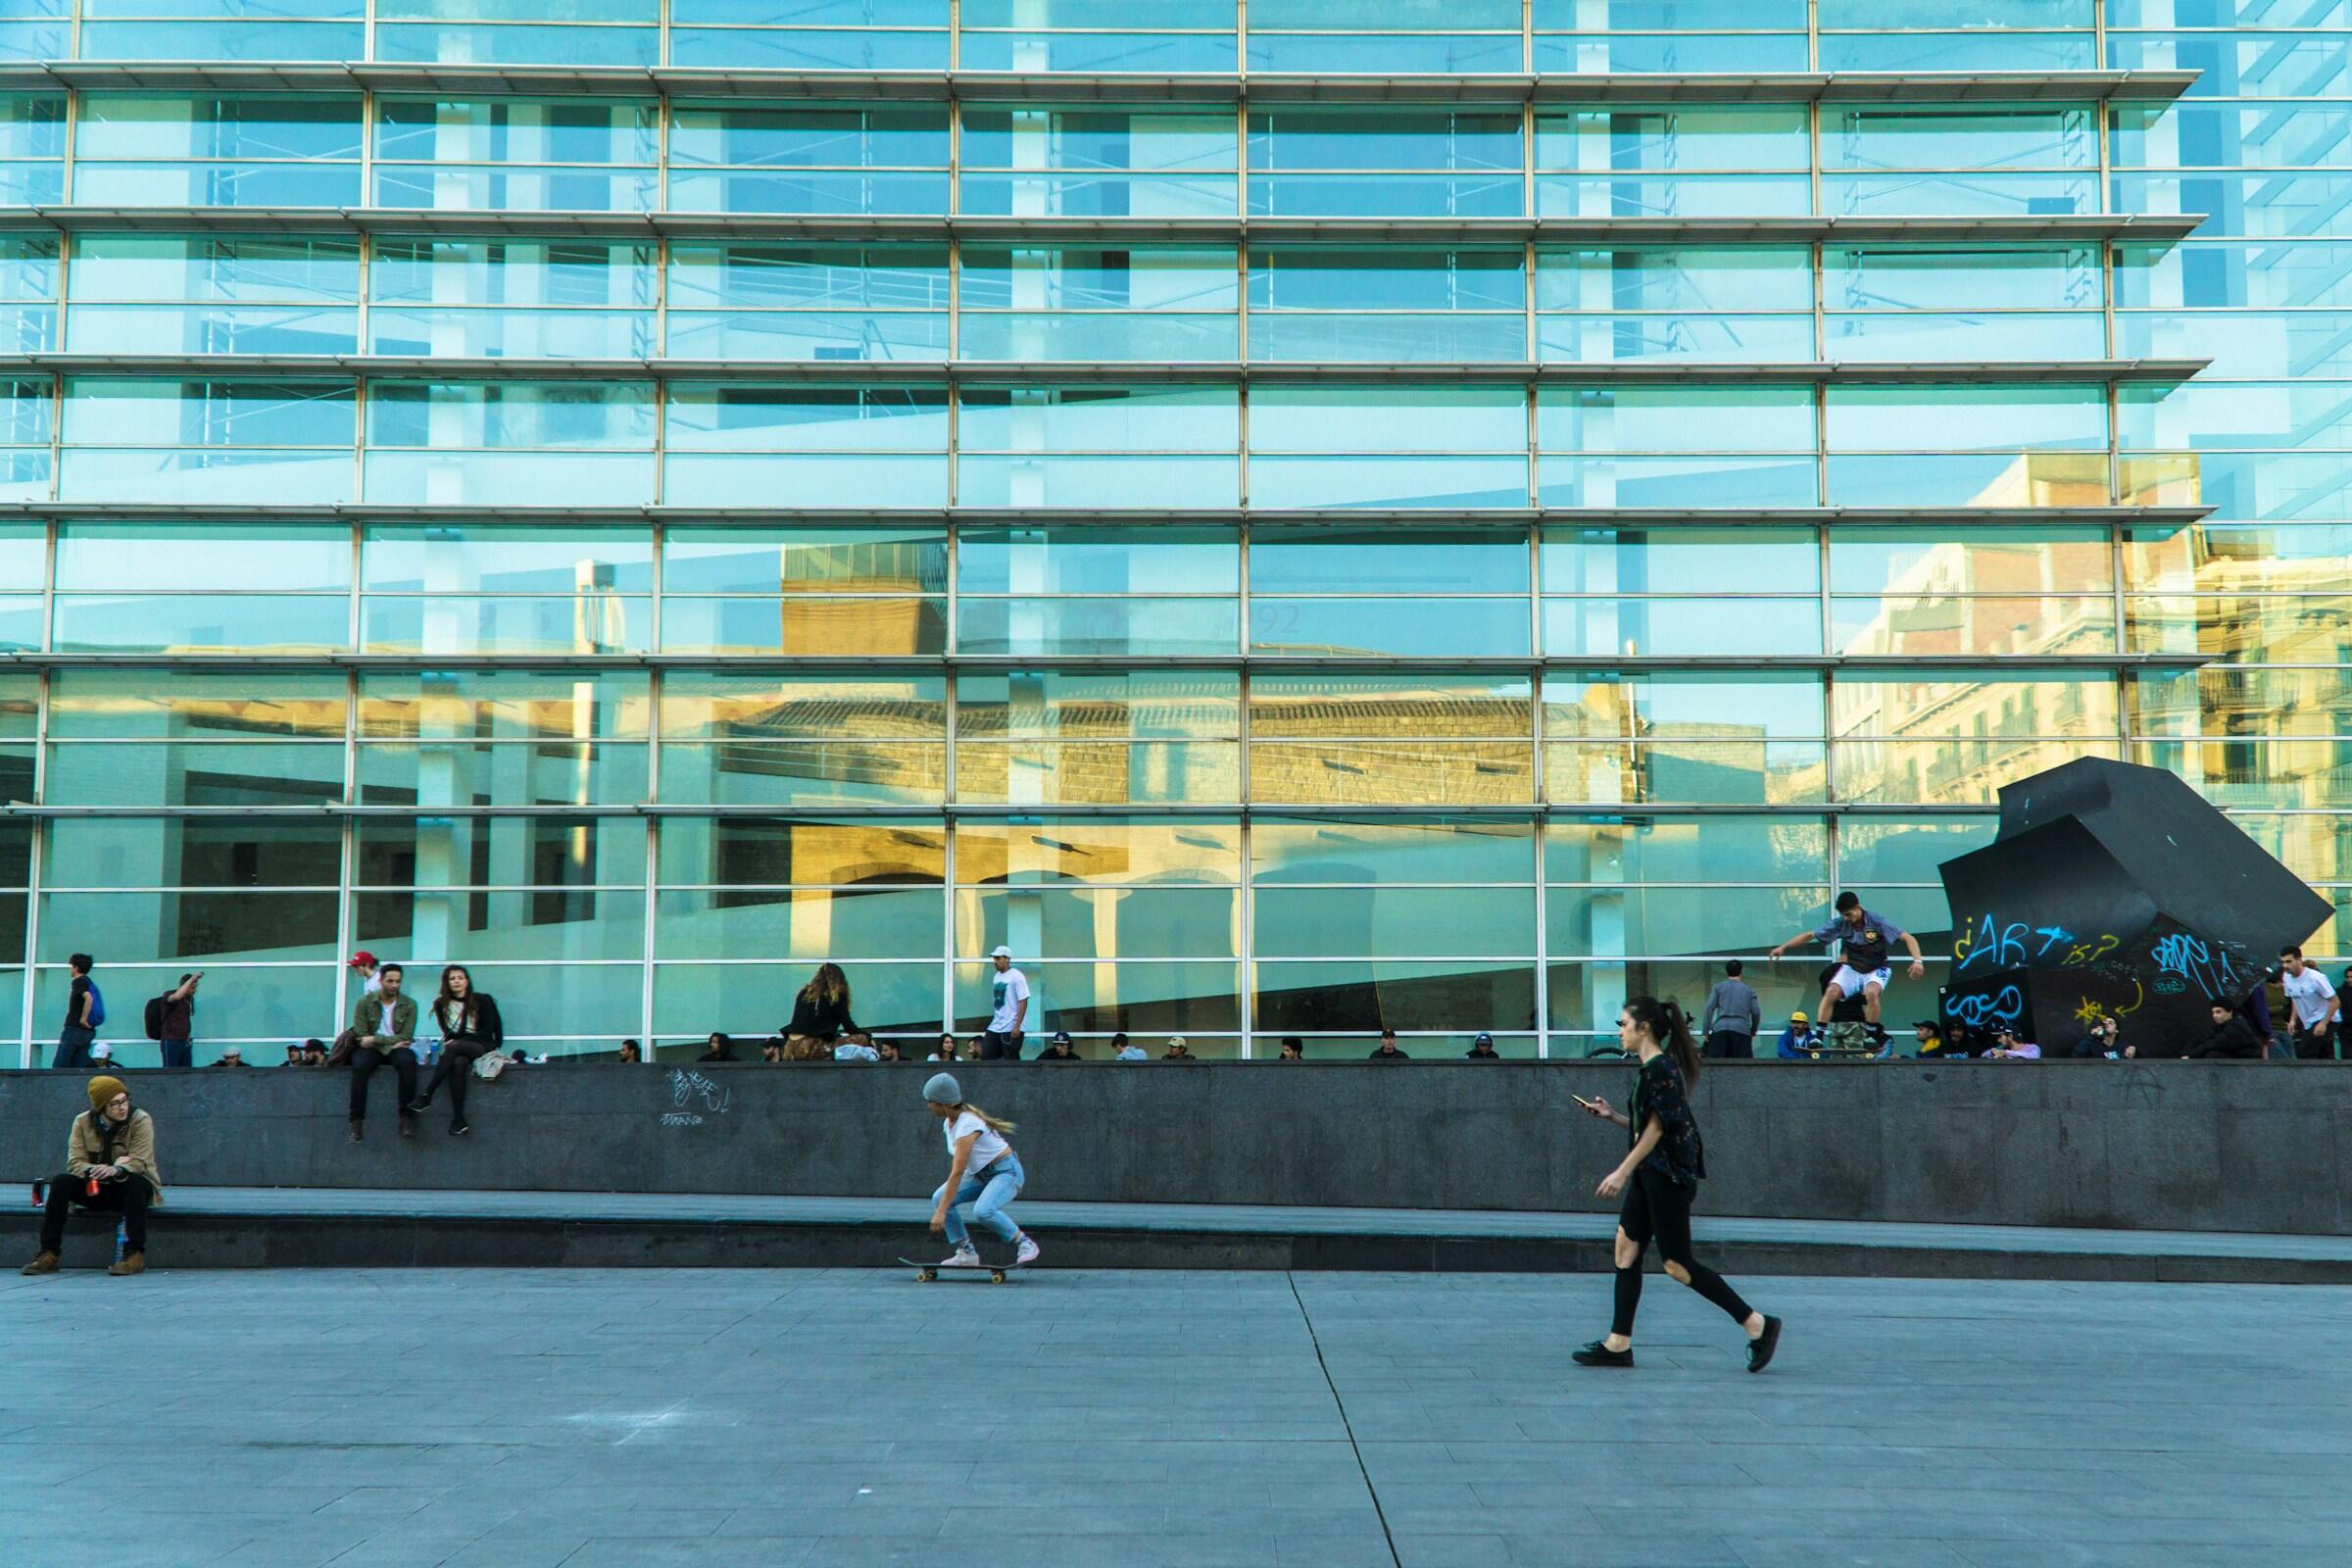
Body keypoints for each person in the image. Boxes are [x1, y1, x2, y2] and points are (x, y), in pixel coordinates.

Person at [1572, 997, 1780, 1373]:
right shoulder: (1650, 1071)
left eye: (1623, 1024)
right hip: (1650, 1175)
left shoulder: (1661, 1070)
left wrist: (1620, 1172)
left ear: (1644, 1028)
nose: (1619, 1031)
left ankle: (1758, 1325)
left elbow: (1656, 1129)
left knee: (1677, 1265)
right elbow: (1648, 1126)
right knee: (1626, 1249)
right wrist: (1612, 1116)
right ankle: (1618, 1344)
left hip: (1667, 1179)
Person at [22, 1075, 161, 1277]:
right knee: (61, 1182)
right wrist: (93, 1170)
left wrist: (117, 1169)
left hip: (130, 1189)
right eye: (114, 1104)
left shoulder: (140, 1119)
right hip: (96, 1187)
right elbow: (74, 1162)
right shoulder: (82, 1121)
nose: (122, 1108)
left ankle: (134, 1254)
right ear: (101, 1107)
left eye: (125, 1100)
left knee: (136, 1183)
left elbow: (140, 1161)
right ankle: (49, 1254)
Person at [1767, 892, 1925, 1048]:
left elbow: (1908, 938)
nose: (1846, 918)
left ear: (1858, 907)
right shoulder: (1840, 923)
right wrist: (1784, 947)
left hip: (1877, 968)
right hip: (1853, 968)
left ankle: (1871, 1034)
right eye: (1843, 915)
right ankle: (1819, 1037)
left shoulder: (1876, 921)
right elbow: (1810, 935)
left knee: (1871, 992)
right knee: (1831, 992)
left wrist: (1917, 961)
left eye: (1849, 914)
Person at [922, 1072, 1041, 1270]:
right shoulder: (949, 1123)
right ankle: (966, 1253)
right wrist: (942, 1205)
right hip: (980, 1174)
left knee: (983, 1211)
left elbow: (957, 1172)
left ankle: (1025, 1243)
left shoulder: (967, 1124)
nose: (928, 1106)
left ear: (942, 1103)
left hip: (1006, 1172)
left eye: (930, 1101)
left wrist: (941, 1212)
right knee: (940, 1197)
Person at [406, 964, 504, 1137]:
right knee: (458, 1064)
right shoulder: (440, 1004)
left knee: (453, 1047)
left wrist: (458, 1042)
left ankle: (427, 1094)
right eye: (452, 978)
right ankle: (458, 1120)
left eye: (460, 978)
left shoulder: (482, 1000)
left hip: (482, 1044)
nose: (457, 981)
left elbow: (488, 1031)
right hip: (459, 1051)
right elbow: (448, 1033)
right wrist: (456, 1042)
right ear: (447, 982)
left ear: (467, 981)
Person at [345, 962, 418, 1143]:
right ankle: (356, 1122)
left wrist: (377, 1039)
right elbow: (361, 1035)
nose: (394, 985)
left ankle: (406, 1118)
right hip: (373, 1049)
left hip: (393, 1048)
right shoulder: (365, 1002)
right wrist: (388, 1043)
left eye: (398, 981)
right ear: (381, 980)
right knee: (360, 1066)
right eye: (390, 981)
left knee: (408, 1063)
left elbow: (407, 1035)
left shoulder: (409, 1005)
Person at [783, 962, 858, 1057]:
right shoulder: (835, 996)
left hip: (790, 1048)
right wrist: (868, 1037)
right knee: (861, 1039)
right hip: (812, 1047)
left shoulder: (804, 994)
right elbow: (849, 1027)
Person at [2280, 947, 2337, 1060]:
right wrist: (2293, 1020)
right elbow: (2295, 998)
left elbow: (2335, 1001)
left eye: (2289, 961)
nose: (2285, 966)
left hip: (2326, 1018)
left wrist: (2324, 1023)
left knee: (2304, 1051)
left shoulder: (2316, 978)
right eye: (2283, 962)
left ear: (2299, 960)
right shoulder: (2287, 977)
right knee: (2323, 1054)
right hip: (2308, 1022)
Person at [1700, 960, 1761, 1059]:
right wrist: (1753, 1030)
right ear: (1741, 971)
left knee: (1716, 1066)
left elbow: (1709, 1008)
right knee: (1744, 1068)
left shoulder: (1718, 988)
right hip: (1741, 1031)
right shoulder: (1749, 991)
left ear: (1727, 972)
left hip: (1720, 1029)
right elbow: (1756, 1011)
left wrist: (1705, 1031)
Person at [981, 946, 1029, 1061]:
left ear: (1007, 959)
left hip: (1011, 1025)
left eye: (998, 958)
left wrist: (1017, 1026)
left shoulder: (1017, 976)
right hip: (996, 1025)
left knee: (1011, 1059)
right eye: (994, 959)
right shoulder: (996, 977)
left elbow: (1023, 1000)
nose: (995, 962)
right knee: (987, 1055)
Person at [53, 952, 99, 1070]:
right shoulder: (89, 982)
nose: (70, 970)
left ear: (76, 967)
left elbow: (89, 998)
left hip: (75, 1028)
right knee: (78, 1066)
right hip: (87, 1031)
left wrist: (82, 1019)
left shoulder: (78, 981)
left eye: (71, 966)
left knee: (60, 1065)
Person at [155, 971, 201, 1068]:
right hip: (171, 1040)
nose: (194, 990)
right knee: (170, 1070)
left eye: (195, 987)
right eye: (192, 987)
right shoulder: (169, 994)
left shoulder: (188, 999)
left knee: (186, 1071)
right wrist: (191, 980)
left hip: (184, 1041)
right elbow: (176, 997)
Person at [2188, 1002, 2263, 1058]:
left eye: (2218, 1012)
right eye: (2213, 1012)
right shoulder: (2222, 1026)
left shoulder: (2237, 1026)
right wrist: (2185, 1053)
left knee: (2212, 1055)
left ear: (2230, 1012)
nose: (2214, 1016)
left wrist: (2191, 1055)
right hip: (2237, 1059)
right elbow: (2204, 1038)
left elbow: (2215, 1043)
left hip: (2248, 1062)